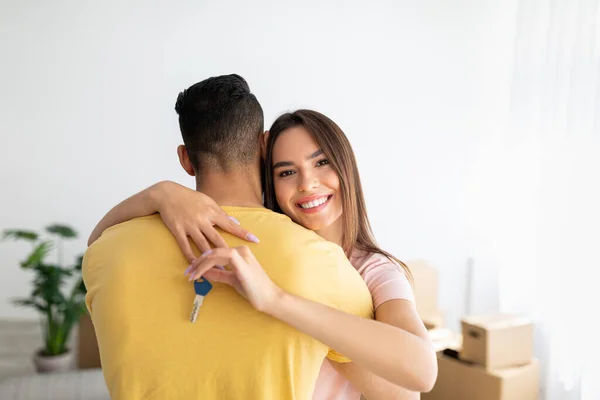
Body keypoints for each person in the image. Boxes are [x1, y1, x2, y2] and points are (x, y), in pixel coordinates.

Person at [89, 108, 438, 398]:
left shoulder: (377, 271)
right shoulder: (266, 248)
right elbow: (96, 244)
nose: (307, 183)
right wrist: (158, 194)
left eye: (322, 163)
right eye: (287, 171)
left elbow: (415, 382)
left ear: (347, 166)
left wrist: (278, 299)